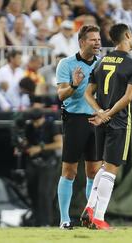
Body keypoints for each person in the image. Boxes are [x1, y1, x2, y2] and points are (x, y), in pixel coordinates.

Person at [84, 23, 132, 230]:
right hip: (117, 121)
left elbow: (87, 94)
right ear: (127, 35)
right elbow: (127, 98)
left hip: (101, 122)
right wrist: (107, 114)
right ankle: (99, 218)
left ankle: (90, 208)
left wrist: (100, 112)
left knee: (104, 167)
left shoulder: (100, 62)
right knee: (111, 170)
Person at [55, 25, 102, 229]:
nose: (98, 42)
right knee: (69, 171)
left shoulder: (102, 65)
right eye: (93, 39)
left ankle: (90, 216)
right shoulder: (66, 64)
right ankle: (64, 219)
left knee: (94, 171)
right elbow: (60, 95)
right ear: (82, 42)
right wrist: (73, 85)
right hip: (74, 120)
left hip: (95, 120)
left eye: (99, 39)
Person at [23, 109, 63, 226]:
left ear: (42, 118)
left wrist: (40, 148)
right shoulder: (30, 127)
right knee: (32, 191)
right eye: (33, 121)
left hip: (48, 163)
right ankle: (36, 220)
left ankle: (47, 222)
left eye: (37, 121)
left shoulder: (51, 125)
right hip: (33, 162)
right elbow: (27, 142)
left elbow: (59, 144)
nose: (35, 124)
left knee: (44, 193)